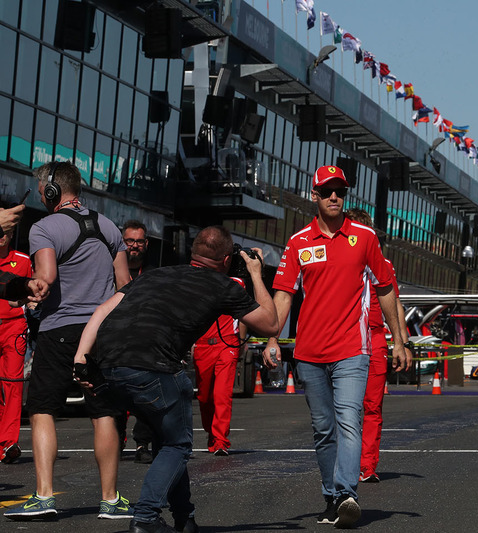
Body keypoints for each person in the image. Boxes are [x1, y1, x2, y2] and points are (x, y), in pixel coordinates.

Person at [73, 225, 279, 533]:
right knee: (178, 445)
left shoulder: (155, 275)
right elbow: (271, 323)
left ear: (193, 252)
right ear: (226, 260)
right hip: (153, 367)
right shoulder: (222, 285)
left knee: (165, 438)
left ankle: (185, 519)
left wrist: (80, 361)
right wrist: (255, 273)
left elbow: (103, 309)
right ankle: (145, 516)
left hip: (108, 365)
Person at [268, 165, 410, 528]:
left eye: (340, 191)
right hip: (309, 353)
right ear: (313, 195)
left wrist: (399, 340)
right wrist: (271, 337)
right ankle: (332, 496)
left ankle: (347, 492)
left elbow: (386, 288)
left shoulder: (364, 237)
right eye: (327, 190)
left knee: (350, 420)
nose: (334, 197)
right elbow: (283, 295)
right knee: (323, 429)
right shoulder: (298, 242)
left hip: (352, 349)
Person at [5, 161, 132, 521]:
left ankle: (44, 497)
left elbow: (46, 276)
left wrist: (29, 292)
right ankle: (110, 500)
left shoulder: (44, 227)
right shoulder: (109, 226)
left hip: (58, 330)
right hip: (101, 331)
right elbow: (124, 286)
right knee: (103, 411)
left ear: (50, 191)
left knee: (43, 408)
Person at [344, 208, 413, 484]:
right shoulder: (338, 258)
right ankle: (345, 462)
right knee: (346, 406)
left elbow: (394, 302)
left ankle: (368, 465)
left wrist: (403, 342)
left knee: (372, 405)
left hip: (374, 337)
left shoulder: (383, 264)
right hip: (345, 336)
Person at [192, 279, 247, 456]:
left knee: (222, 393)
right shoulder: (197, 278)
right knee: (204, 396)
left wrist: (241, 340)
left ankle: (221, 440)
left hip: (228, 343)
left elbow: (244, 310)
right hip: (203, 345)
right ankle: (212, 433)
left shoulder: (237, 282)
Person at [122, 220, 155, 464]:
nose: (134, 246)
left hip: (144, 343)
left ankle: (142, 443)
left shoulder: (154, 273)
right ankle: (114, 439)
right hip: (114, 341)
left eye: (139, 241)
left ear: (146, 244)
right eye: (129, 241)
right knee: (114, 397)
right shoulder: (108, 268)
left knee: (145, 398)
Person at [0, 227, 32, 464]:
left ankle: (8, 441)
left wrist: (24, 302)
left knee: (12, 384)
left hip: (13, 328)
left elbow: (33, 292)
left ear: (11, 235)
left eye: (5, 233)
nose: (1, 236)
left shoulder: (22, 261)